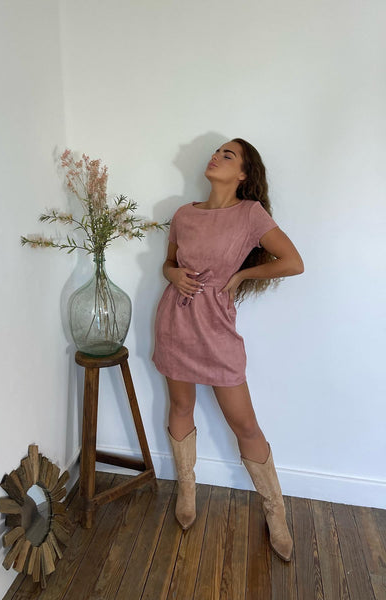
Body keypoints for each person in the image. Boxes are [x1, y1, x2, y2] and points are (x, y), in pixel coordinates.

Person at [152, 138, 304, 562]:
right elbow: (168, 263)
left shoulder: (250, 214)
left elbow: (293, 261)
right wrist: (172, 275)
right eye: (216, 151)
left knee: (246, 425)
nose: (216, 156)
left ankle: (275, 512)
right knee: (180, 405)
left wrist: (241, 277)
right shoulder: (184, 214)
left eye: (228, 154)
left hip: (217, 330)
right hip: (175, 323)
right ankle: (187, 490)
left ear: (243, 174)